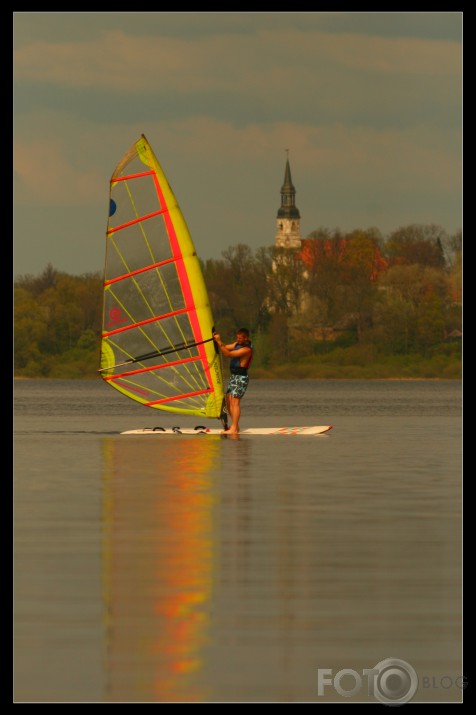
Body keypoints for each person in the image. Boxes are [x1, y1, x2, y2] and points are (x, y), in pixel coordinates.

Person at [213, 328, 253, 434]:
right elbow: (225, 347)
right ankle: (235, 426)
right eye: (237, 338)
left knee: (235, 402)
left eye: (240, 338)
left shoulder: (247, 350)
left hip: (241, 377)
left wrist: (218, 341)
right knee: (228, 400)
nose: (238, 340)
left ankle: (234, 428)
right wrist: (217, 340)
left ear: (246, 338)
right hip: (234, 376)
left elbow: (228, 354)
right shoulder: (236, 344)